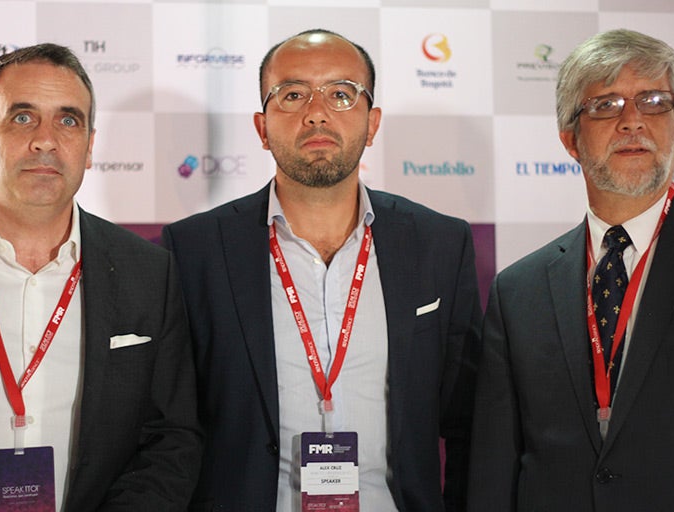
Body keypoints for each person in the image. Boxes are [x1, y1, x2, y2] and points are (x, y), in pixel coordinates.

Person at [163, 29, 482, 511]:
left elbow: (468, 423)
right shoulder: (194, 251)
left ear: (372, 123)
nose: (316, 112)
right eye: (292, 95)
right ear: (262, 128)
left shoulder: (439, 244)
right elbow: (171, 429)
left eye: (341, 94)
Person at [0, 43, 202, 511]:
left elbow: (170, 438)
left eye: (68, 121)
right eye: (22, 118)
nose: (46, 141)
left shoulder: (150, 272)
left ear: (90, 148)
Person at [468, 28, 674, 511]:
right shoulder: (518, 291)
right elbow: (493, 471)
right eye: (606, 105)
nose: (632, 121)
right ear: (571, 139)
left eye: (653, 102)